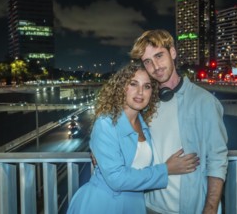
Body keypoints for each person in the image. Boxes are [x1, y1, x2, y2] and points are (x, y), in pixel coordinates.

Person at [66, 63, 200, 214]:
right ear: (122, 88)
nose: (140, 92)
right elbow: (117, 179)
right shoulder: (106, 123)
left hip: (135, 205)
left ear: (152, 93)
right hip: (103, 204)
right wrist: (166, 169)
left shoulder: (144, 126)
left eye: (147, 86)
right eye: (133, 84)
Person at [130, 30, 228, 214]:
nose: (156, 66)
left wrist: (210, 209)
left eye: (159, 56)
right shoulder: (145, 103)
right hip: (149, 206)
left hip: (191, 208)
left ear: (173, 53)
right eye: (148, 62)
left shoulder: (204, 101)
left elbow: (218, 160)